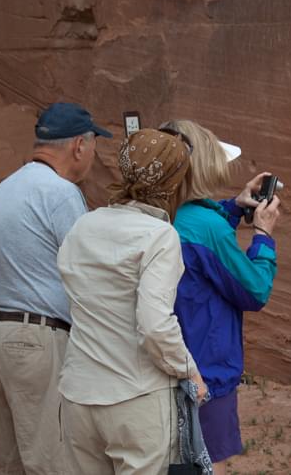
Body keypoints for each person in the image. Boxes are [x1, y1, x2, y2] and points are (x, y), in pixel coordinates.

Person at [57, 128, 208, 475]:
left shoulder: (83, 225)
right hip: (136, 398)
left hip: (79, 393)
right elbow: (155, 324)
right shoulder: (159, 236)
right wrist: (189, 370)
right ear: (174, 182)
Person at [0, 102, 112, 475]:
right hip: (37, 338)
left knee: (12, 463)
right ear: (80, 146)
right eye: (94, 146)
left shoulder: (8, 185)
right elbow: (87, 272)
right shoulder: (60, 192)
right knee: (54, 462)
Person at [161, 119, 280, 474]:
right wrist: (262, 235)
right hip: (205, 368)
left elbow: (196, 250)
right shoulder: (207, 227)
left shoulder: (158, 213)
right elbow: (254, 290)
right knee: (207, 463)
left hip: (160, 365)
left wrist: (231, 208)